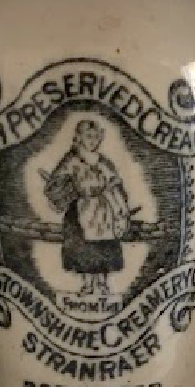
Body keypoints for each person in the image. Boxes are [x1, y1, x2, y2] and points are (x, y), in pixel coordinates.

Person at [42, 118, 131, 297]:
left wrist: (121, 210)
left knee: (105, 246)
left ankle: (103, 282)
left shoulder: (104, 163)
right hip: (80, 209)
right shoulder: (71, 161)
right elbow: (56, 184)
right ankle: (88, 284)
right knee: (82, 247)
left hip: (104, 209)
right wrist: (62, 191)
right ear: (79, 138)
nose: (93, 141)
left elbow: (114, 186)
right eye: (89, 136)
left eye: (96, 137)